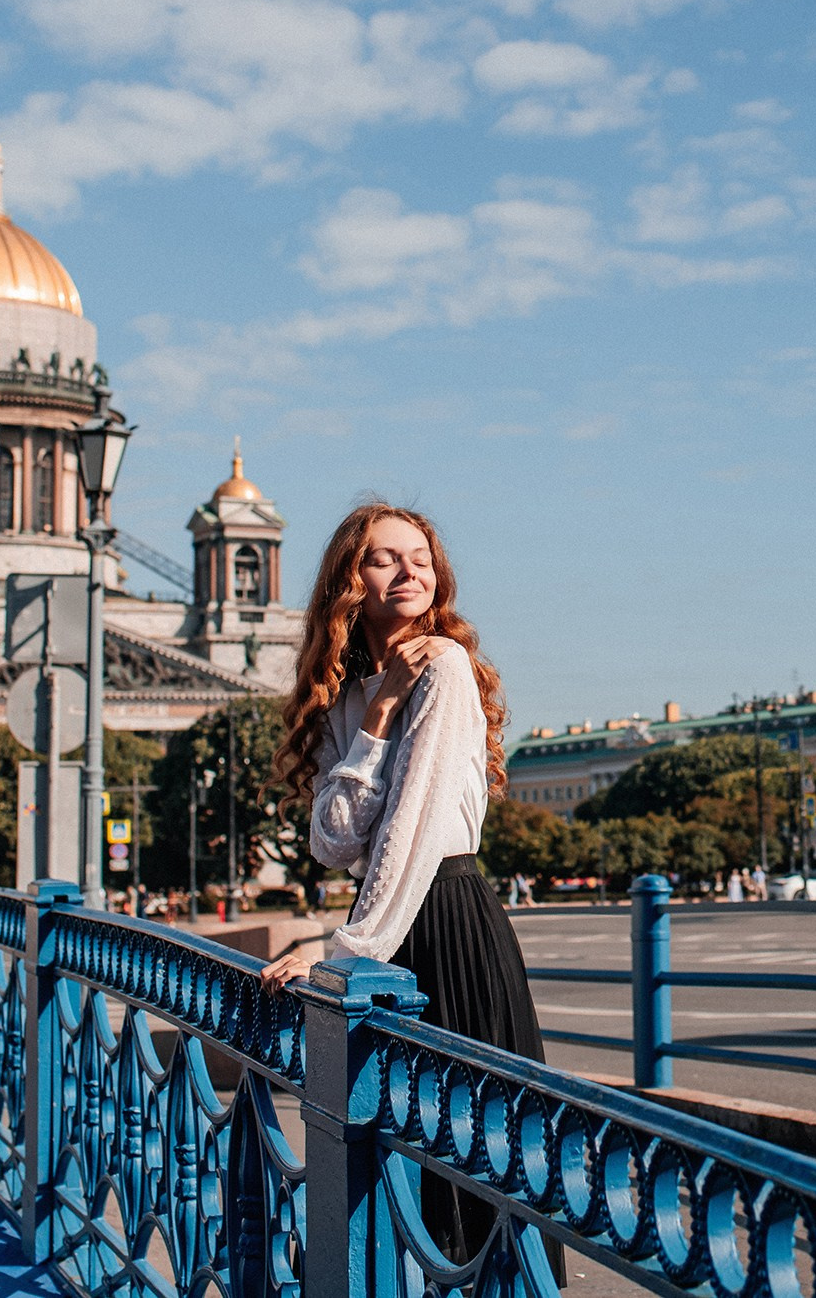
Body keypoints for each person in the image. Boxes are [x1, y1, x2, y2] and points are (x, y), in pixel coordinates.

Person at [258, 503, 543, 1268]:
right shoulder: (352, 692)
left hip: (446, 921)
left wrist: (343, 951)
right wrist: (379, 710)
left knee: (472, 1185)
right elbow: (334, 839)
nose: (411, 569)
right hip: (392, 927)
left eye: (421, 556)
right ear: (351, 580)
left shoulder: (444, 665)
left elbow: (414, 834)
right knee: (402, 1176)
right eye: (386, 558)